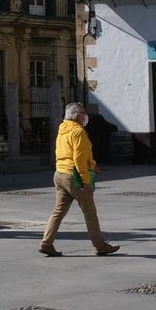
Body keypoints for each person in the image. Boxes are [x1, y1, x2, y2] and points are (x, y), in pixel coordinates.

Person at [39, 102, 120, 257]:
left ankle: (46, 243)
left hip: (60, 174)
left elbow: (68, 153)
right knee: (90, 212)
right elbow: (79, 159)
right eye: (83, 112)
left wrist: (92, 165)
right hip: (74, 176)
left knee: (58, 212)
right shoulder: (78, 132)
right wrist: (86, 182)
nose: (85, 115)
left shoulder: (62, 130)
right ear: (77, 115)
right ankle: (100, 245)